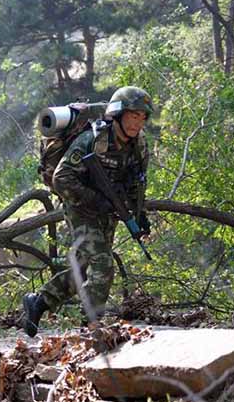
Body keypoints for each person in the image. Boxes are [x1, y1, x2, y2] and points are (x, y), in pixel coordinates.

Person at [21, 86, 153, 336]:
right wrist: (95, 200)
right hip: (80, 209)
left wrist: (139, 213)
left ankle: (39, 302)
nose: (138, 123)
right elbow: (61, 179)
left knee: (83, 268)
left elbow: (138, 181)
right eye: (133, 116)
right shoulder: (93, 139)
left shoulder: (139, 145)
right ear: (118, 114)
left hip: (109, 210)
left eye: (142, 117)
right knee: (102, 263)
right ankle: (91, 329)